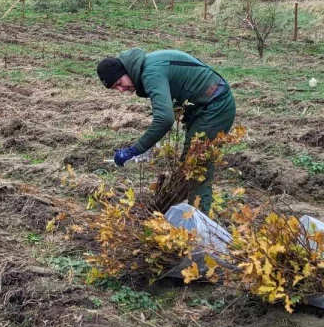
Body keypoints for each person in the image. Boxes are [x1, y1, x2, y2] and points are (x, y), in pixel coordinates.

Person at [97, 48, 236, 213]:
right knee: (190, 166)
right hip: (204, 108)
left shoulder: (150, 73)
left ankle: (199, 227)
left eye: (119, 83)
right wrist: (148, 147)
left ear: (125, 71)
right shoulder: (146, 67)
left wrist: (135, 150)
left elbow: (164, 119)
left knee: (196, 167)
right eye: (115, 88)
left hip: (215, 107)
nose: (121, 90)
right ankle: (176, 213)